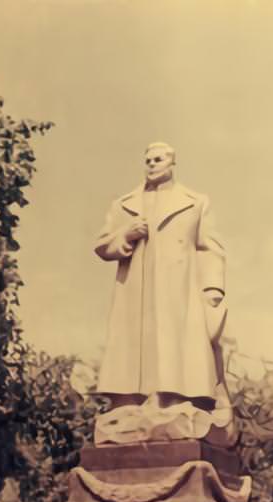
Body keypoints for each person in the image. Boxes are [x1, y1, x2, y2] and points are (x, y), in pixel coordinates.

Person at [94, 142, 227, 413]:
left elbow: (210, 248)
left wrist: (213, 287)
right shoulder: (123, 204)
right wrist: (126, 235)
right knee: (133, 342)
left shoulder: (195, 202)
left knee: (175, 341)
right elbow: (102, 245)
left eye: (159, 159)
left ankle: (174, 399)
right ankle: (128, 400)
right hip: (136, 286)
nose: (153, 164)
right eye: (149, 160)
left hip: (178, 286)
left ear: (171, 163)